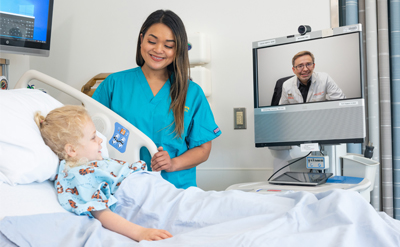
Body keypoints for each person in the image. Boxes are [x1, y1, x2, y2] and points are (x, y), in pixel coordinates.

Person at [92, 9, 221, 189]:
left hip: (174, 190)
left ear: (178, 49)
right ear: (141, 39)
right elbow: (90, 133)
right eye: (152, 41)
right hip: (122, 187)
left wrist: (172, 164)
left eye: (169, 45)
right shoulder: (114, 84)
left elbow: (203, 150)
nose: (158, 50)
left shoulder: (191, 93)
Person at [34, 105, 173, 242]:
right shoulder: (78, 175)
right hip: (140, 198)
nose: (100, 139)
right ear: (72, 150)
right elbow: (101, 212)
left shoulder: (92, 162)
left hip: (158, 189)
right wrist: (140, 232)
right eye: (93, 137)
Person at [279, 51, 345, 105]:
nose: (305, 69)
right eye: (300, 66)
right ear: (294, 70)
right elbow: (283, 109)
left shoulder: (325, 78)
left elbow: (341, 101)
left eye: (308, 64)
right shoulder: (286, 85)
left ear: (313, 66)